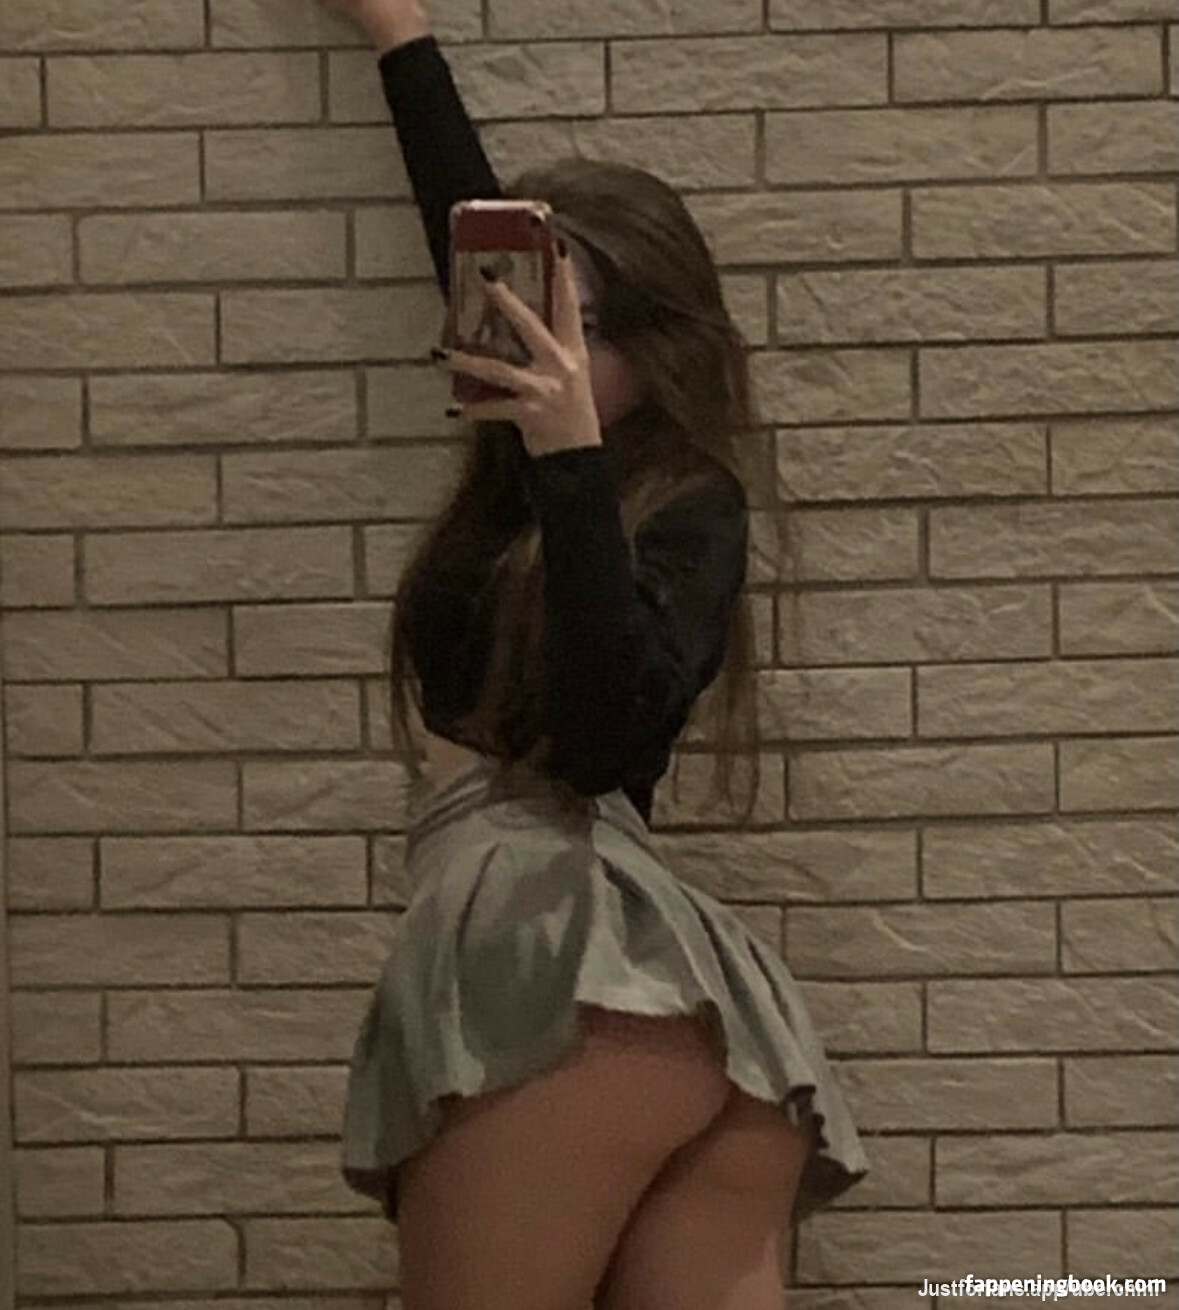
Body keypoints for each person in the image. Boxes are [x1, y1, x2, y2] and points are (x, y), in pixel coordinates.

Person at [324, 2, 871, 1306]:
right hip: (667, 1017)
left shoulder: (682, 501)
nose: (542, 347)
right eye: (528, 315)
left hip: (557, 969)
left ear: (660, 348)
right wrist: (397, 33)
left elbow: (607, 732)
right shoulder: (525, 476)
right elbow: (469, 230)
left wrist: (570, 457)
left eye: (583, 329)